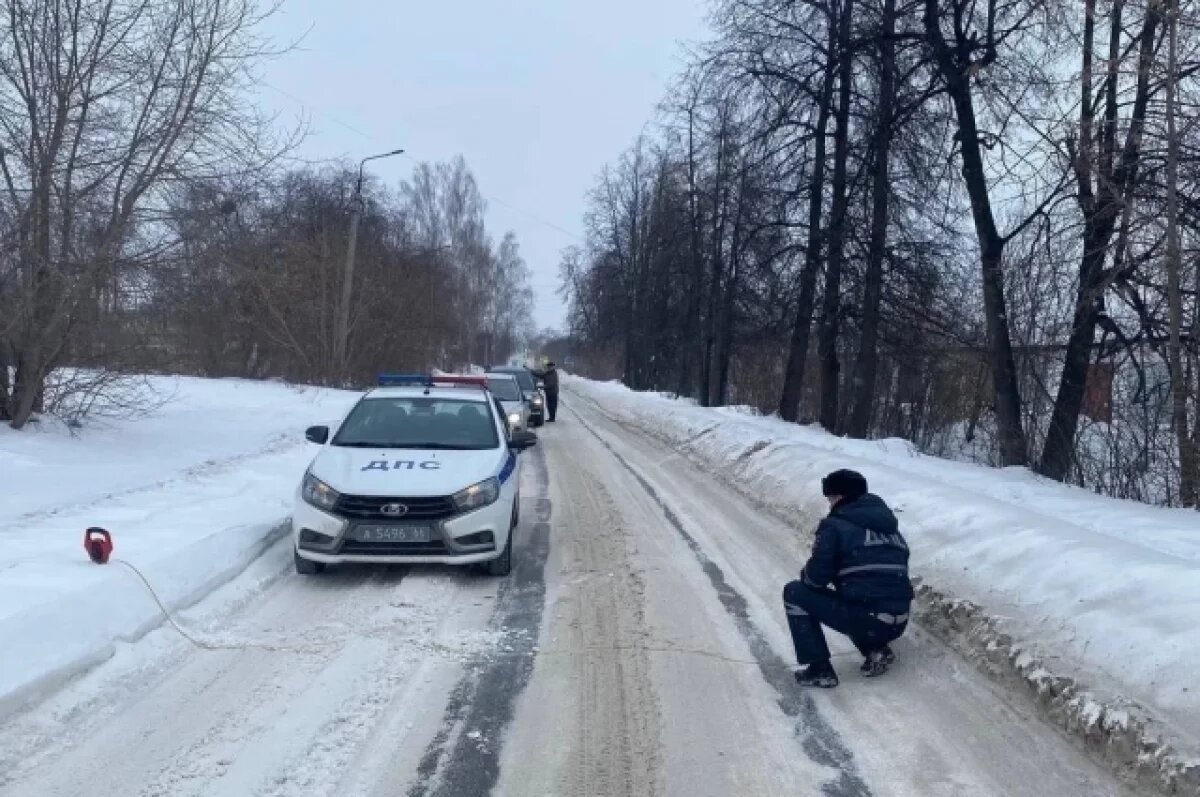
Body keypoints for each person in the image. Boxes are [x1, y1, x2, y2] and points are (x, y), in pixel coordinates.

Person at [782, 469, 913, 688]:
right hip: (898, 620)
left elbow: (816, 580)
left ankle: (819, 669)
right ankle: (876, 650)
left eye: (831, 498)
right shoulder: (891, 530)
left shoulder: (835, 526)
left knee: (795, 592)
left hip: (867, 619)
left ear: (842, 498)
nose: (829, 505)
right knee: (861, 593)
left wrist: (807, 575)